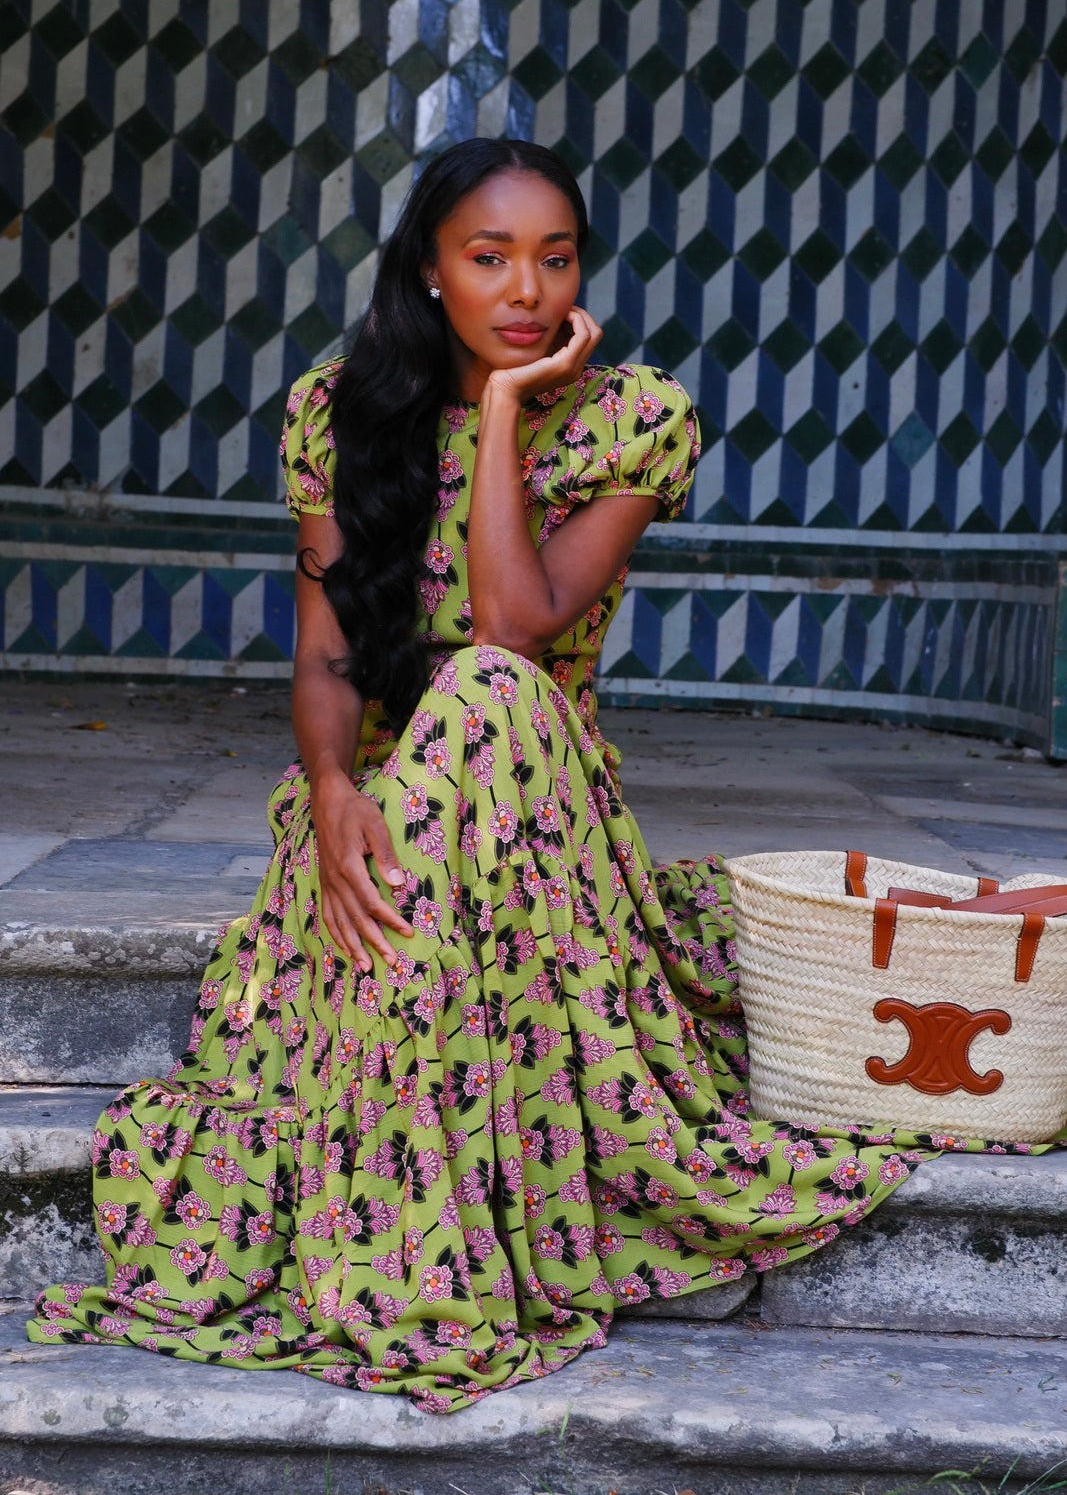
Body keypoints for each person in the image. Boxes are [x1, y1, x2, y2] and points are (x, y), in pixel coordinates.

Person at [28, 138, 1008, 1413]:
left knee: (484, 690)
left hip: (535, 791)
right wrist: (329, 794)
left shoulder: (634, 413)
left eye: (554, 258)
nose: (525, 290)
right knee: (389, 775)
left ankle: (400, 1187)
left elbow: (511, 629)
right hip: (376, 801)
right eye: (487, 258)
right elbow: (327, 654)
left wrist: (498, 411)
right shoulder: (336, 407)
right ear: (430, 271)